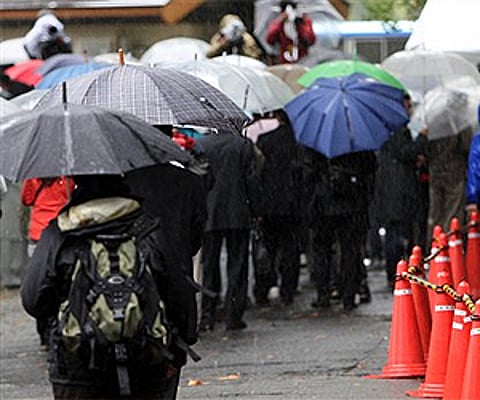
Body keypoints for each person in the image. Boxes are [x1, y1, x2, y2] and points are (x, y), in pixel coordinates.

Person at [20, 175, 198, 399]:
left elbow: (33, 299)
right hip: (144, 359)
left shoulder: (59, 233)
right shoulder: (149, 229)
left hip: (78, 366)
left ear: (78, 183)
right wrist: (176, 353)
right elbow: (179, 296)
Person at [196, 131, 262, 331]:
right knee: (238, 264)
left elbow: (199, 179)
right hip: (237, 210)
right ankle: (234, 314)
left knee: (209, 265)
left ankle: (208, 313)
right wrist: (256, 209)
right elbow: (252, 180)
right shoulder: (243, 145)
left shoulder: (202, 145)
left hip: (211, 211)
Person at [303, 148, 377, 312]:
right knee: (349, 250)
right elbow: (370, 169)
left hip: (323, 204)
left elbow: (308, 173)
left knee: (322, 250)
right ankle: (348, 296)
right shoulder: (357, 143)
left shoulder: (316, 142)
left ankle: (323, 294)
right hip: (351, 203)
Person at [372, 93, 429, 289]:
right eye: (407, 105)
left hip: (389, 189)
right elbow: (405, 153)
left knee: (394, 232)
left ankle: (395, 271)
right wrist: (421, 139)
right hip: (399, 190)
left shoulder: (384, 128)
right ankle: (397, 271)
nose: (410, 109)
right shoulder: (398, 130)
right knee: (397, 235)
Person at [253, 110, 304, 306]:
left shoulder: (266, 140)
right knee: (291, 250)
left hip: (270, 205)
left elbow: (258, 173)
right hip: (293, 205)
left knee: (269, 248)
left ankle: (263, 289)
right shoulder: (299, 143)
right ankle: (288, 290)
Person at [20, 176, 75, 346]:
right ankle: (62, 325)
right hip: (62, 230)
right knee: (64, 281)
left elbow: (27, 199)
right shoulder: (68, 174)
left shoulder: (35, 174)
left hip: (38, 233)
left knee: (41, 283)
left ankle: (44, 331)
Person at [265, 0, 316, 64]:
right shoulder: (279, 24)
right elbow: (269, 39)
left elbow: (311, 39)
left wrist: (301, 23)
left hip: (303, 58)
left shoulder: (305, 22)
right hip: (286, 58)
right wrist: (279, 21)